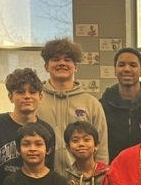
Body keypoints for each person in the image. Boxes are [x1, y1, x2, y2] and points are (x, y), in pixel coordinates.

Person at [35, 37, 109, 176]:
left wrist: (100, 179)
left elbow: (102, 148)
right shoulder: (36, 101)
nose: (62, 63)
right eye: (56, 59)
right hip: (44, 179)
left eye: (67, 59)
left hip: (83, 182)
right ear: (46, 66)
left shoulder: (92, 104)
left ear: (75, 67)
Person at [100, 47, 141, 160]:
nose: (127, 69)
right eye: (121, 65)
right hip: (113, 169)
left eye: (133, 65)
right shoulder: (101, 106)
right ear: (115, 70)